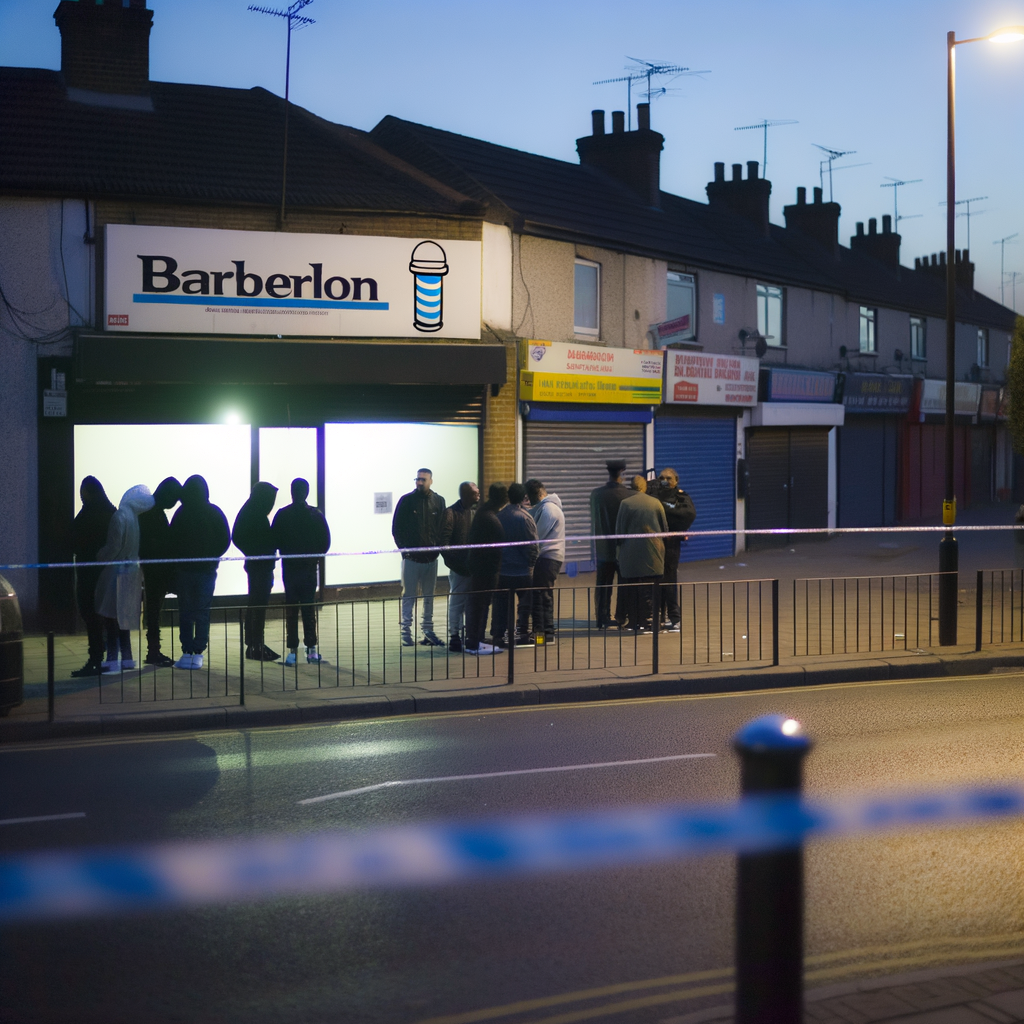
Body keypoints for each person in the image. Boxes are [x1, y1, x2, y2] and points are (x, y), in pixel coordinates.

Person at [168, 475, 230, 671]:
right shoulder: (214, 512)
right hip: (207, 570)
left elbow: (172, 539)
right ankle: (199, 652)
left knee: (185, 611)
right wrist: (212, 557)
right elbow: (225, 539)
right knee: (202, 611)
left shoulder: (181, 513)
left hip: (185, 571)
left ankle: (186, 651)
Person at [94, 484, 155, 671]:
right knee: (124, 617)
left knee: (111, 617)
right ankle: (127, 657)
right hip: (132, 572)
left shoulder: (120, 516)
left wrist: (99, 556)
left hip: (115, 572)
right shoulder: (136, 518)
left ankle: (112, 659)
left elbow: (113, 547)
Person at [271, 478, 331, 666]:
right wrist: (314, 557)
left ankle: (292, 651)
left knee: (291, 608)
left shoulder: (283, 515)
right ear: (307, 492)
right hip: (309, 568)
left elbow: (275, 539)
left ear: (292, 492)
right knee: (308, 608)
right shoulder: (316, 515)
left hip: (289, 567)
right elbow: (325, 541)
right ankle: (311, 649)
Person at [391, 467, 446, 647]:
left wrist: (436, 549)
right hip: (412, 558)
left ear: (431, 480)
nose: (420, 482)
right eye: (418, 479)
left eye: (423, 479)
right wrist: (405, 551)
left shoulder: (438, 501)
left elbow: (442, 527)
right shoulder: (407, 501)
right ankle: (406, 631)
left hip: (429, 558)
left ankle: (426, 630)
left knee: (428, 596)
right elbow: (396, 528)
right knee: (409, 595)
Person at [71, 477, 117, 677]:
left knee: (91, 616)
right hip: (107, 573)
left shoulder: (87, 514)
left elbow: (74, 539)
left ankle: (96, 658)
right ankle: (110, 659)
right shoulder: (111, 513)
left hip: (89, 574)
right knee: (107, 618)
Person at [232, 481, 280, 662]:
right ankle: (255, 644)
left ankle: (255, 643)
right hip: (259, 566)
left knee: (257, 603)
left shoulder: (252, 510)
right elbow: (238, 536)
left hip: (260, 564)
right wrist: (256, 551)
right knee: (258, 604)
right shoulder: (254, 513)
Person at [614, 477, 669, 633]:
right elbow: (665, 529)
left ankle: (633, 621)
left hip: (631, 555)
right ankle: (650, 622)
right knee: (650, 589)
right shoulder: (656, 503)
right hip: (653, 554)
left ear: (631, 487)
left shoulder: (625, 504)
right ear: (645, 487)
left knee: (632, 589)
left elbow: (619, 532)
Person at [138, 476, 182, 667]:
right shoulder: (153, 513)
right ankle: (153, 651)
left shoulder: (151, 509)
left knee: (153, 611)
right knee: (153, 611)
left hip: (153, 569)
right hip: (154, 570)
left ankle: (153, 650)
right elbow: (150, 542)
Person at [491, 482, 540, 648]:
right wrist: (531, 565)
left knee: (501, 605)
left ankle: (499, 635)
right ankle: (522, 633)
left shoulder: (499, 516)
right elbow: (532, 546)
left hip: (502, 570)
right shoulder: (525, 518)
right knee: (525, 604)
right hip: (521, 571)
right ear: (523, 497)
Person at [464, 483, 507, 656]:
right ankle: (474, 642)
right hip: (485, 568)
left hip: (483, 567)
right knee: (479, 604)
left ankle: (477, 639)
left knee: (481, 604)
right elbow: (500, 542)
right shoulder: (489, 516)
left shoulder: (486, 513)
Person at [590, 459, 631, 629]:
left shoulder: (596, 494)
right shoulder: (629, 495)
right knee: (624, 585)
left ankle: (602, 617)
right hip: (623, 549)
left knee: (603, 585)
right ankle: (621, 617)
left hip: (603, 548)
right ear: (622, 472)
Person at [654, 468, 696, 631]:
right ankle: (659, 616)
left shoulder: (681, 496)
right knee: (656, 581)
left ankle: (674, 618)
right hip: (655, 545)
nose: (664, 481)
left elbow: (688, 514)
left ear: (676, 480)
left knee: (669, 581)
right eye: (661, 478)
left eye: (668, 478)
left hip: (671, 545)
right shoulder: (654, 495)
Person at [440, 480, 479, 652]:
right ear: (465, 495)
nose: (478, 494)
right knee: (457, 602)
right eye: (475, 492)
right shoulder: (451, 513)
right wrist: (458, 563)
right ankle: (454, 635)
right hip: (460, 568)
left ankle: (464, 634)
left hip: (473, 567)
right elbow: (444, 543)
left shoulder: (476, 512)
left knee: (467, 602)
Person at [525, 478, 565, 645]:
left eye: (531, 497)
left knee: (542, 596)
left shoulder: (548, 509)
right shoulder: (544, 507)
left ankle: (544, 635)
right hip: (549, 557)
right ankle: (544, 634)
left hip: (548, 557)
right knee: (542, 595)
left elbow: (537, 537)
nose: (530, 501)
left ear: (540, 493)